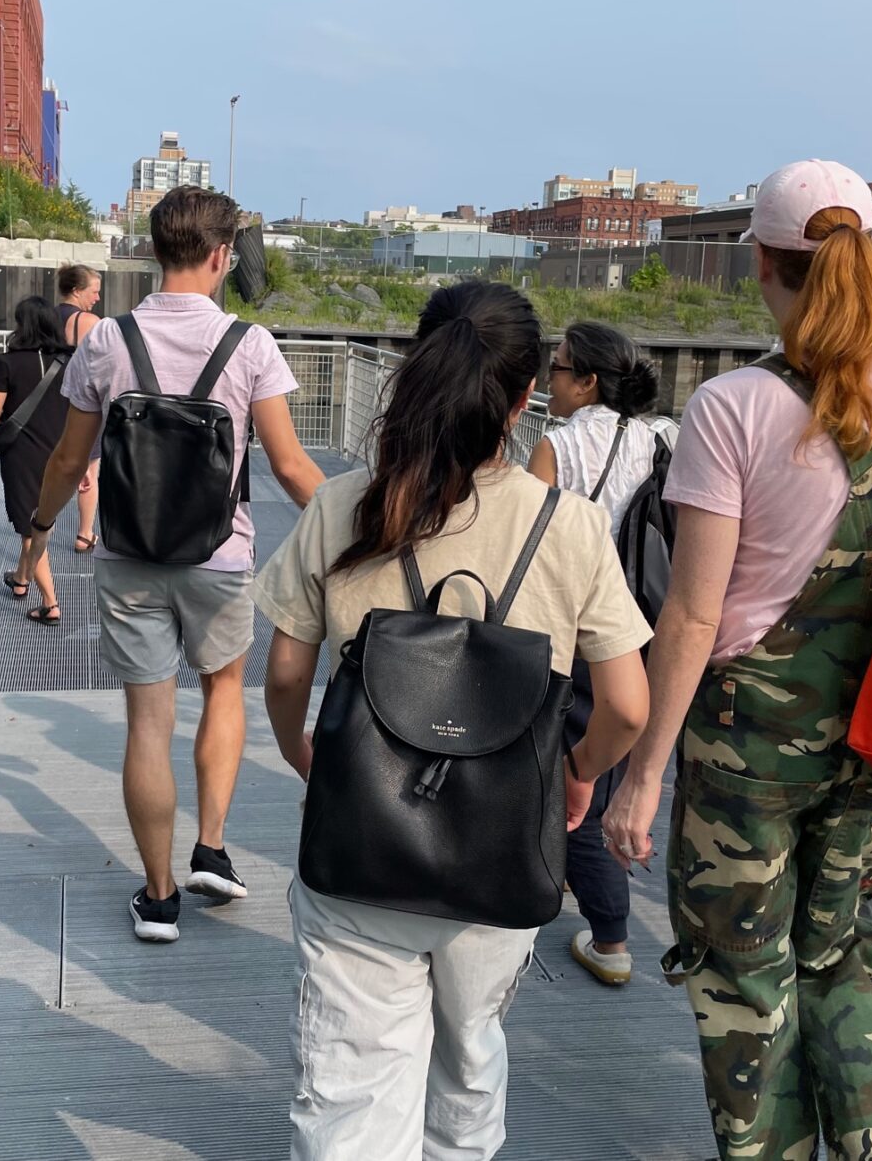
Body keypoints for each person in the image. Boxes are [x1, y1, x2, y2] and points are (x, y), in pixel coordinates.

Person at [600, 161, 872, 1160]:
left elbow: (693, 614)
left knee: (743, 980)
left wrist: (641, 775)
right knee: (839, 964)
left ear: (763, 266)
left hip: (747, 747)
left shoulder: (735, 405)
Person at [255, 281, 654, 1161]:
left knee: (350, 1084)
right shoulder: (572, 526)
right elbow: (628, 705)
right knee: (470, 1061)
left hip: (361, 839)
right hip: (503, 845)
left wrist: (308, 756)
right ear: (523, 400)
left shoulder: (346, 505)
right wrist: (576, 773)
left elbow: (286, 673)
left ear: (414, 369)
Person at [28, 185, 325, 943]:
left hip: (129, 553)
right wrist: (368, 521)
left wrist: (39, 526)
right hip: (219, 555)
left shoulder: (105, 340)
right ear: (223, 256)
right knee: (226, 687)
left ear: (154, 250)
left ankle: (159, 898)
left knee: (146, 723)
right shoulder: (250, 346)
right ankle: (213, 847)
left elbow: (69, 457)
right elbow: (291, 468)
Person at [528, 321, 674, 987]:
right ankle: (562, 881)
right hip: (640, 628)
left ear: (586, 380)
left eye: (556, 369)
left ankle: (611, 937)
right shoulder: (664, 440)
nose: (546, 381)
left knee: (569, 778)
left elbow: (529, 549)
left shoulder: (558, 446)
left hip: (572, 632)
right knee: (603, 768)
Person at [0, 295, 73, 625]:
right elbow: (82, 410)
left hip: (22, 455)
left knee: (30, 528)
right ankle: (21, 579)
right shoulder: (70, 361)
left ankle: (50, 604)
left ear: (21, 325)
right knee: (42, 521)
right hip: (61, 452)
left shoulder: (8, 362)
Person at [56, 263, 104, 554]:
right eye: (94, 291)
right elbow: (99, 368)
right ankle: (85, 534)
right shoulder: (88, 322)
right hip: (79, 405)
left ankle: (39, 526)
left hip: (45, 405)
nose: (97, 298)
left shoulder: (41, 316)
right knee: (89, 473)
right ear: (77, 291)